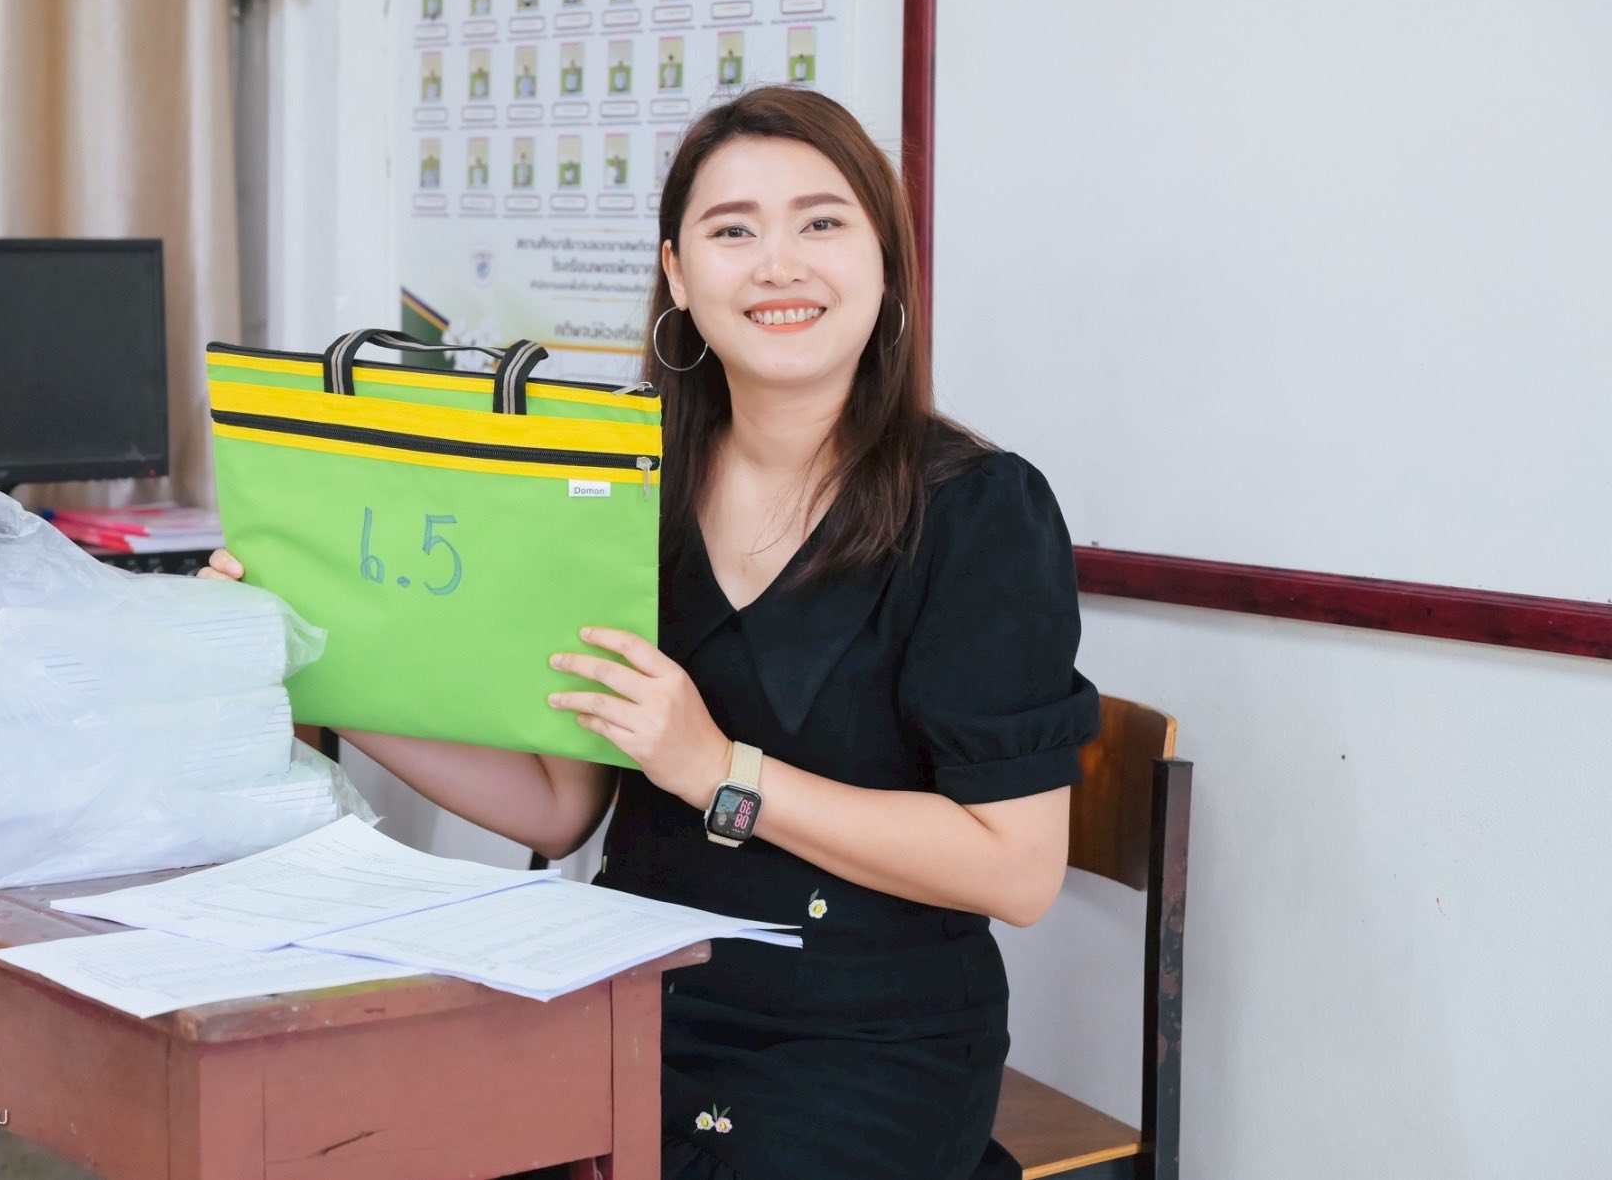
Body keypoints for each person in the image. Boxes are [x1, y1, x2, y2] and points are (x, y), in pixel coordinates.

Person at [201, 85, 1098, 1180]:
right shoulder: (622, 492)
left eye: (820, 222)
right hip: (629, 991)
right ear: (677, 273)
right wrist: (308, 673)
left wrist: (720, 772)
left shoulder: (980, 511)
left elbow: (1017, 870)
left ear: (885, 262)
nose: (777, 265)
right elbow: (559, 804)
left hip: (867, 1038)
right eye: (732, 231)